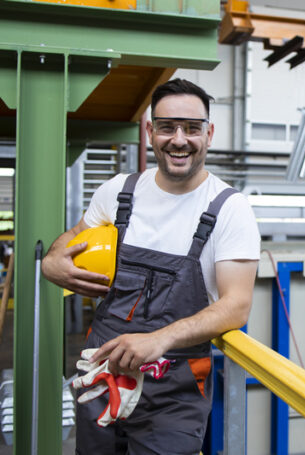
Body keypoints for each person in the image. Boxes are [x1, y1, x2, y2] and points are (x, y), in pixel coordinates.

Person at [41, 78, 261, 454]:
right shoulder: (118, 192)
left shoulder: (229, 209)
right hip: (103, 375)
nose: (179, 139)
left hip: (172, 394)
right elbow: (71, 241)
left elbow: (236, 305)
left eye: (192, 128)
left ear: (209, 133)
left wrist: (160, 339)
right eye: (166, 127)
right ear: (150, 131)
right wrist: (50, 264)